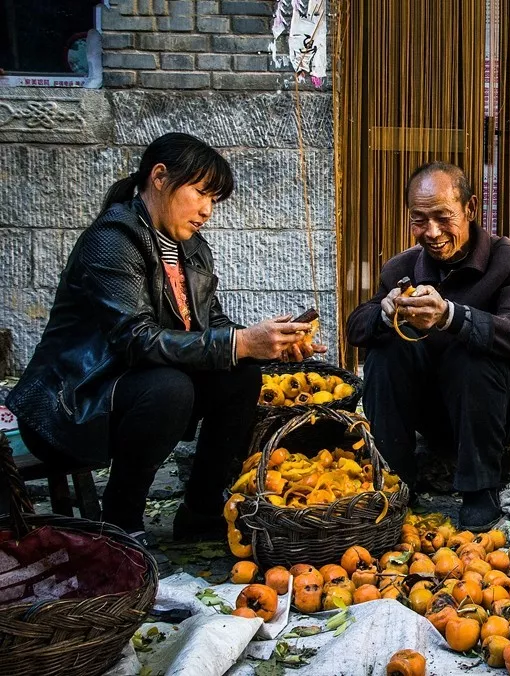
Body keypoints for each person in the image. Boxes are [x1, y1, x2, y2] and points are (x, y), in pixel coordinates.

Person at [6, 132, 325, 545]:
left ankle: (201, 512)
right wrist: (241, 342)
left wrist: (271, 345)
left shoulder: (192, 249)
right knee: (169, 387)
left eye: (215, 200)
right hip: (73, 404)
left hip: (135, 391)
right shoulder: (113, 239)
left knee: (241, 376)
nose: (208, 210)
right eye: (201, 193)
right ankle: (121, 524)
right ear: (159, 177)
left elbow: (213, 327)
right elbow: (134, 339)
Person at [346, 161, 510, 532]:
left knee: (470, 352)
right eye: (419, 219)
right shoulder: (401, 268)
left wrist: (450, 317)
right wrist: (385, 312)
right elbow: (356, 328)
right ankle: (395, 483)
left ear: (470, 209)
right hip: (439, 411)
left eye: (443, 217)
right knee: (386, 349)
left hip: (503, 408)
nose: (432, 231)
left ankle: (479, 489)